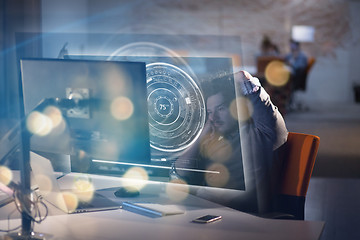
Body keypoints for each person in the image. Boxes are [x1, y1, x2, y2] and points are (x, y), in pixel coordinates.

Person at [175, 71, 288, 214]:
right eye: (210, 112)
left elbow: (246, 81)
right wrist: (200, 137)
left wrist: (235, 79)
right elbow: (181, 171)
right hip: (201, 213)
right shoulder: (211, 139)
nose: (213, 117)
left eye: (221, 109)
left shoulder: (262, 133)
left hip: (244, 218)